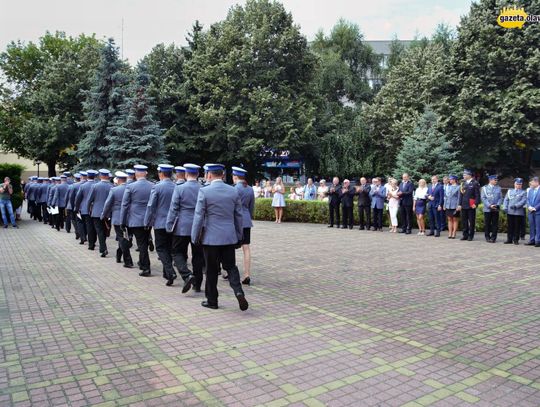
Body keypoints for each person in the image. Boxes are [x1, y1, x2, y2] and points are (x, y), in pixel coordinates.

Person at [191, 163, 248, 311]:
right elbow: (239, 216)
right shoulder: (233, 191)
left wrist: (195, 236)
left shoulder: (204, 191)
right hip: (229, 236)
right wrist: (238, 235)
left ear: (209, 175)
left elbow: (198, 216)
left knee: (211, 269)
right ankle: (238, 291)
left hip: (211, 238)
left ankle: (212, 301)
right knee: (230, 266)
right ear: (222, 174)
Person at [166, 163, 205, 293]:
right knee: (198, 255)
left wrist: (169, 225)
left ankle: (187, 275)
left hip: (181, 226)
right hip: (198, 226)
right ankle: (198, 284)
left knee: (177, 252)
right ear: (198, 174)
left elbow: (173, 208)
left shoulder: (180, 188)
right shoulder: (203, 188)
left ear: (186, 174)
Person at [144, 164, 176, 285]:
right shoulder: (176, 186)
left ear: (160, 174)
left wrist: (147, 221)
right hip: (173, 223)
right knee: (169, 247)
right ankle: (166, 273)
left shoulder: (157, 187)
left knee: (161, 248)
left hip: (160, 223)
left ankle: (170, 271)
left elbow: (151, 206)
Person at [120, 165, 154, 276]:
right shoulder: (152, 186)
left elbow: (125, 205)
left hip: (134, 219)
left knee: (141, 244)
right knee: (143, 242)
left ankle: (145, 267)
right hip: (148, 219)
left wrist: (122, 221)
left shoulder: (130, 187)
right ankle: (142, 262)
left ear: (136, 174)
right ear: (146, 174)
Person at [102, 171, 134, 268]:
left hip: (117, 217)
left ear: (119, 179)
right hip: (130, 217)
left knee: (122, 238)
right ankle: (119, 255)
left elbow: (108, 204)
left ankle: (127, 261)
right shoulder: (131, 188)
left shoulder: (114, 190)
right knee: (126, 238)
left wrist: (104, 215)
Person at [232, 167, 255, 285]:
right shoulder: (250, 189)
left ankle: (230, 272)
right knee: (246, 248)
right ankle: (247, 274)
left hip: (235, 221)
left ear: (235, 176)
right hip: (246, 221)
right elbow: (251, 208)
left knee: (230, 248)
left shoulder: (234, 189)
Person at [88, 169, 113, 257]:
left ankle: (103, 248)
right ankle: (103, 247)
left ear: (100, 176)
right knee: (105, 230)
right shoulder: (112, 186)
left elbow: (90, 199)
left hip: (96, 212)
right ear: (107, 176)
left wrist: (88, 210)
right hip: (108, 213)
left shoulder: (95, 186)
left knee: (100, 231)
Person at [75, 169, 98, 248]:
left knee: (88, 226)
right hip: (95, 208)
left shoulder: (83, 186)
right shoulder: (97, 184)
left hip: (85, 209)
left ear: (87, 176)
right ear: (94, 176)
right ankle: (93, 241)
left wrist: (76, 207)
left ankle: (90, 243)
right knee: (94, 226)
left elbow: (78, 198)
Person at [457, 169, 480, 241]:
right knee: (464, 221)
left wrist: (476, 204)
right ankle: (465, 235)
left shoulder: (475, 183)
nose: (463, 176)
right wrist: (459, 204)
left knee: (471, 221)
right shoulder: (463, 183)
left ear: (469, 175)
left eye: (465, 175)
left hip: (471, 205)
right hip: (464, 205)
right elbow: (461, 195)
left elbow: (477, 195)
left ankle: (471, 235)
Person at [502, 178, 527, 245]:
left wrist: (516, 205)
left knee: (517, 226)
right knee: (510, 226)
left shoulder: (523, 192)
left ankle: (516, 239)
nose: (518, 185)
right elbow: (506, 200)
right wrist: (505, 207)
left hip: (518, 212)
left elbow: (523, 201)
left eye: (520, 184)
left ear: (521, 185)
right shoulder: (510, 191)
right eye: (517, 184)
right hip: (510, 211)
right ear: (514, 184)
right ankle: (509, 239)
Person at [481, 174, 503, 243]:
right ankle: (487, 237)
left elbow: (500, 198)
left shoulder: (498, 188)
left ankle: (493, 238)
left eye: (496, 180)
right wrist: (489, 205)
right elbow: (483, 198)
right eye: (495, 180)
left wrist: (497, 205)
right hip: (487, 209)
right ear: (490, 180)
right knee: (487, 223)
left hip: (495, 209)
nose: (496, 181)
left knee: (495, 224)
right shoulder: (484, 188)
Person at [525, 176, 540, 247]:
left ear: (537, 182)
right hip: (530, 211)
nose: (531, 183)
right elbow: (527, 200)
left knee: (538, 226)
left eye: (532, 182)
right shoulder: (530, 190)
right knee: (531, 226)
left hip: (538, 211)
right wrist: (529, 206)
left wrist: (535, 208)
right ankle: (532, 240)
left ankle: (538, 241)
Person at [444, 175, 460, 239]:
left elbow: (459, 197)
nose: (449, 180)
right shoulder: (448, 187)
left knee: (455, 219)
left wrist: (458, 206)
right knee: (449, 219)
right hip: (448, 205)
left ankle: (454, 233)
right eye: (449, 179)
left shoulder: (458, 187)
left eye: (451, 179)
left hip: (454, 205)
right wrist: (444, 205)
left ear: (454, 180)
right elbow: (445, 197)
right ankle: (450, 232)